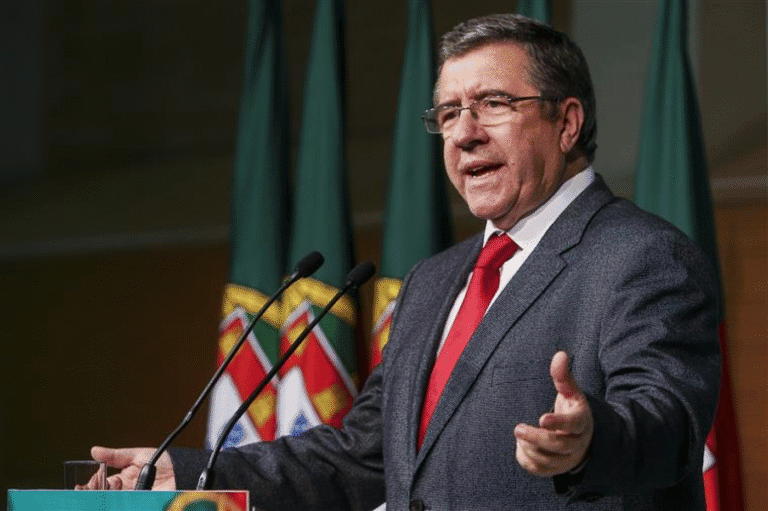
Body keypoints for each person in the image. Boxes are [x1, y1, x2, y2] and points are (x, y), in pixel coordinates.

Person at [87, 14, 721, 510]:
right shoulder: (434, 280)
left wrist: (591, 440)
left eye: (493, 104)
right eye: (447, 113)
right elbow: (364, 455)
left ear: (567, 122)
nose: (463, 132)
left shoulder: (642, 255)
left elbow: (667, 421)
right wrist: (193, 475)